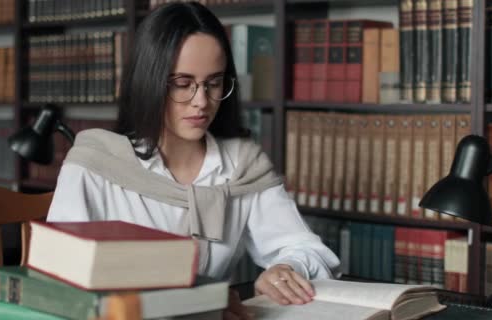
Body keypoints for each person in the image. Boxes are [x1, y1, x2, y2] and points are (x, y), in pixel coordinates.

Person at [47, 2, 340, 319]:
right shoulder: (93, 166)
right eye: (182, 84)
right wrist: (199, 305)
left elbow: (311, 251)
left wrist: (287, 268)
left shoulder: (242, 166)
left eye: (214, 83)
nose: (201, 102)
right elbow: (56, 287)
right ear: (150, 81)